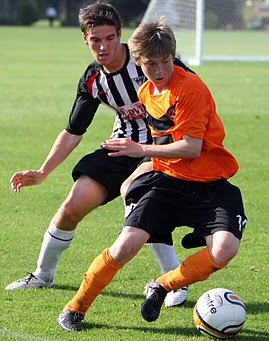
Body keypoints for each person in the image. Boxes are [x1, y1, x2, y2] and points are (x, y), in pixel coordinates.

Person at [57, 18, 247, 332]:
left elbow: (190, 148)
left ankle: (162, 285)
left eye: (166, 62)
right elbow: (163, 141)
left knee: (225, 249)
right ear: (138, 61)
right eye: (151, 64)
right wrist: (140, 173)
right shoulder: (147, 92)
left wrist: (140, 153)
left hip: (210, 183)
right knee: (125, 246)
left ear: (174, 57)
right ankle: (75, 308)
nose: (159, 70)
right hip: (169, 182)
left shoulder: (191, 88)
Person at [6, 2, 189, 308]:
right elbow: (73, 131)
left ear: (121, 36)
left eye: (110, 38)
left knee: (139, 197)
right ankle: (42, 275)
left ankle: (174, 282)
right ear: (85, 40)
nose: (103, 47)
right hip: (121, 146)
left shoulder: (148, 58)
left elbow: (191, 91)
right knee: (71, 207)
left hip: (160, 146)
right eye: (96, 40)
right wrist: (42, 172)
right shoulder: (93, 79)